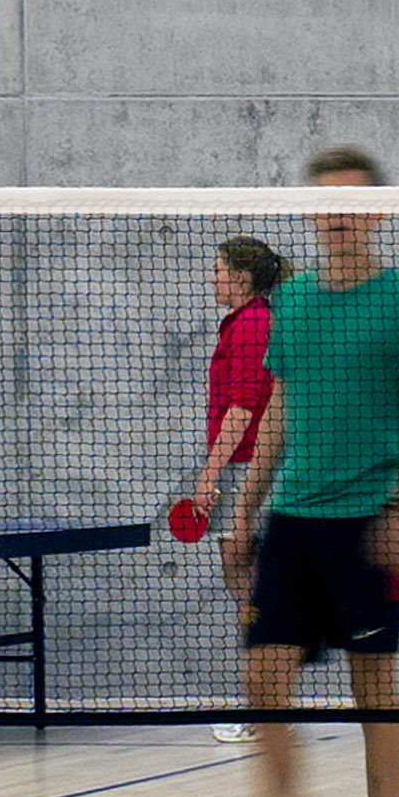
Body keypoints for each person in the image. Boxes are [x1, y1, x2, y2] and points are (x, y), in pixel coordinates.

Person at [229, 148, 399, 797]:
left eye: (354, 203)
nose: (340, 214)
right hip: (295, 521)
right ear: (314, 213)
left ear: (378, 213)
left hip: (370, 524)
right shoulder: (294, 306)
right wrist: (245, 510)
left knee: (373, 692)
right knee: (263, 680)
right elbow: (279, 411)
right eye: (327, 203)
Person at [166, 228, 283, 625]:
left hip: (250, 465)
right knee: (238, 561)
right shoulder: (241, 322)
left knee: (243, 562)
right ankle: (264, 651)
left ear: (240, 278)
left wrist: (208, 474)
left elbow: (243, 407)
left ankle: (268, 652)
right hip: (242, 464)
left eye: (218, 270)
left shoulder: (252, 324)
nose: (212, 278)